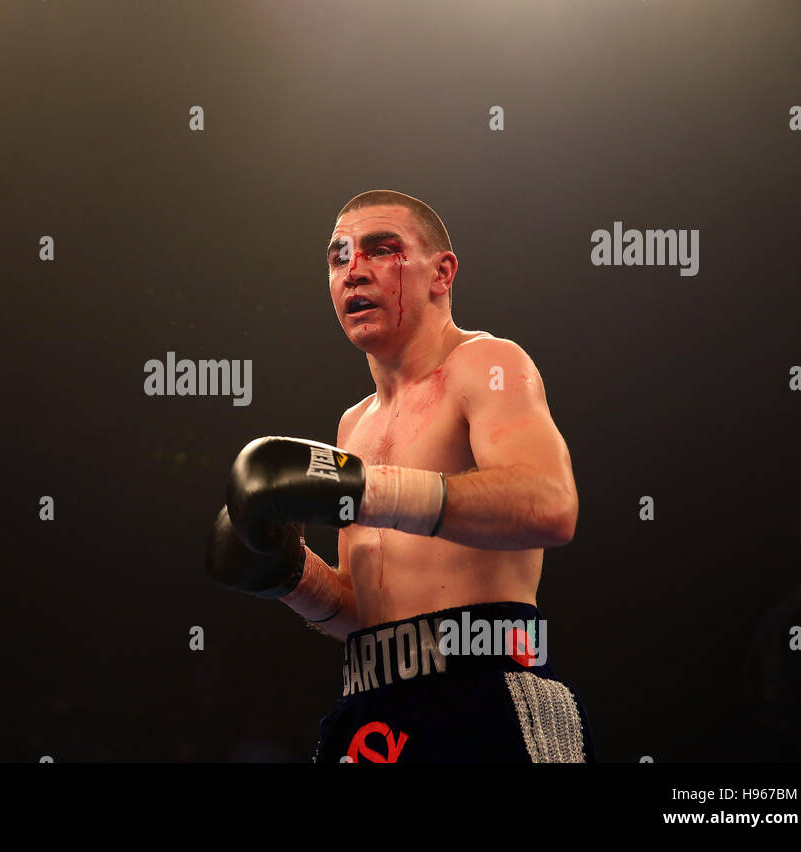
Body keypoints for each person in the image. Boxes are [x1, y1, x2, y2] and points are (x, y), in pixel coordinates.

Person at [206, 190, 594, 763]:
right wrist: (291, 576)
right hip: (370, 709)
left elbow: (551, 504)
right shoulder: (352, 424)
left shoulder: (488, 365)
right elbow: (369, 610)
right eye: (338, 258)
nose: (354, 270)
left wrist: (366, 490)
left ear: (442, 272)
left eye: (380, 250)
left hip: (486, 691)